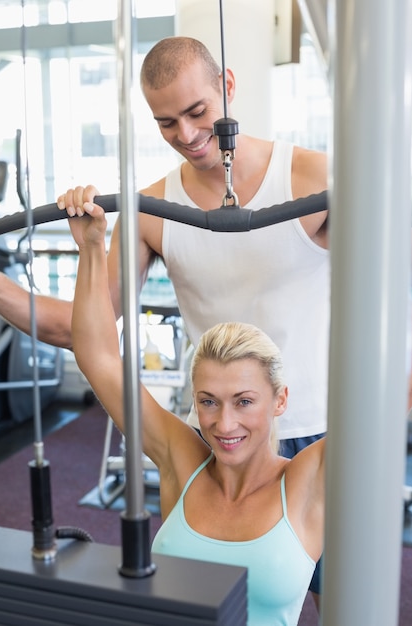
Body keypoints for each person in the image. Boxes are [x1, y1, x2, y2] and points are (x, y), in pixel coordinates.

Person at [0, 36, 328, 598]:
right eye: (167, 122)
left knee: (344, 602)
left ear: (227, 85)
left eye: (197, 112)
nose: (188, 135)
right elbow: (80, 331)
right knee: (201, 597)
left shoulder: (315, 180)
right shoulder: (151, 208)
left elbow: (388, 299)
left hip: (319, 435)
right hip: (216, 436)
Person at [68, 196, 325, 626]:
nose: (224, 425)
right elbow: (99, 359)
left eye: (244, 401)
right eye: (208, 401)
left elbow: (393, 401)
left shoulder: (307, 482)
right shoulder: (181, 462)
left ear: (280, 400)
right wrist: (93, 250)